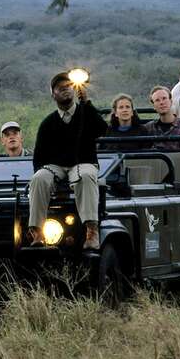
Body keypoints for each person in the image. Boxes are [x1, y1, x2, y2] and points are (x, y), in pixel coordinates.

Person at [29, 72, 108, 249]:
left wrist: (87, 103)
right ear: (53, 94)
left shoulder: (85, 113)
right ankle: (37, 232)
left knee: (86, 176)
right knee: (38, 178)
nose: (65, 90)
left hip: (83, 162)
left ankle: (91, 230)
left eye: (68, 86)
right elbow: (38, 157)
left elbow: (103, 130)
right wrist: (48, 180)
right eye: (60, 88)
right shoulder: (48, 123)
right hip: (56, 166)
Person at [145, 85, 180, 154]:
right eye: (157, 100)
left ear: (171, 101)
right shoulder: (149, 128)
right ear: (154, 106)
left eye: (164, 98)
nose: (161, 102)